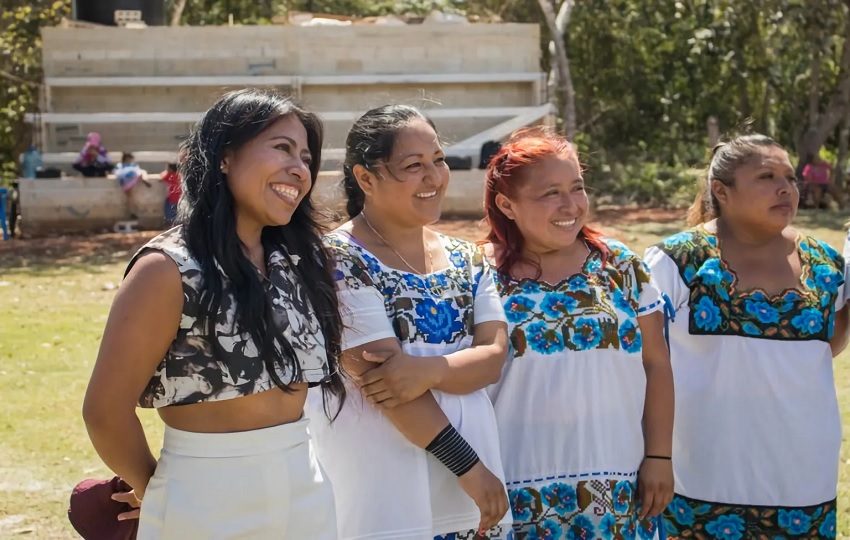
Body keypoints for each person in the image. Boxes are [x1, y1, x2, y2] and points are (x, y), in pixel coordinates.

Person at [82, 89, 342, 539]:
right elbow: (104, 411)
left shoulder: (299, 263)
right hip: (203, 498)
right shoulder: (166, 269)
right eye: (281, 147)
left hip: (306, 488)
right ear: (225, 157)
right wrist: (160, 488)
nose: (299, 168)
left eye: (305, 156)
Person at [305, 104, 512, 540]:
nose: (434, 177)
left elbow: (493, 358)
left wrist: (428, 370)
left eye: (438, 160)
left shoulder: (468, 257)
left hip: (470, 494)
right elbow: (388, 388)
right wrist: (469, 467)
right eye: (413, 166)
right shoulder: (336, 258)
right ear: (366, 178)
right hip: (387, 489)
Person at [644, 134, 848, 538]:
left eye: (790, 178)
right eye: (767, 177)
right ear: (721, 190)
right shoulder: (678, 261)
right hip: (697, 478)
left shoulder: (826, 264)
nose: (785, 188)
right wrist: (655, 455)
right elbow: (647, 361)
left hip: (803, 481)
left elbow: (827, 344)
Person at [481, 129, 674, 539]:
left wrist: (659, 455)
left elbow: (656, 365)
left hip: (618, 486)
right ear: (506, 204)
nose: (570, 205)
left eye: (577, 187)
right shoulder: (480, 276)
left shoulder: (621, 266)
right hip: (513, 486)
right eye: (549, 193)